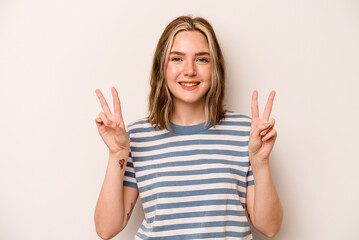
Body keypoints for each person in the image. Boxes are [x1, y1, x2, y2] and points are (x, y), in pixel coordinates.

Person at [94, 16, 283, 240]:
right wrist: (117, 153)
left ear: (215, 68)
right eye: (177, 59)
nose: (190, 70)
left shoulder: (246, 133)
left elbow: (270, 227)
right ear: (162, 68)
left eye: (202, 59)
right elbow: (106, 229)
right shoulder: (135, 137)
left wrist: (260, 162)